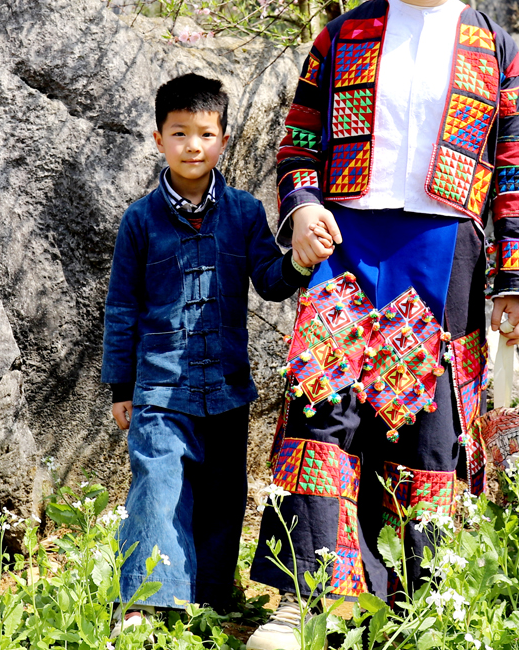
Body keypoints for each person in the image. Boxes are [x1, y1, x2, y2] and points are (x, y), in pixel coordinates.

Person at [246, 0, 519, 650]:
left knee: (429, 426)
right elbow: (298, 140)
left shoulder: (490, 43)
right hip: (346, 246)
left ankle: (425, 604)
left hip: (441, 249)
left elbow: (513, 164)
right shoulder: (342, 35)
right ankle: (305, 601)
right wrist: (304, 204)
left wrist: (518, 279)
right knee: (322, 411)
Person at [101, 73, 307, 627]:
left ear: (223, 140)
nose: (193, 145)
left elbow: (269, 278)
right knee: (158, 489)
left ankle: (208, 595)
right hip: (160, 389)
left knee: (222, 498)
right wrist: (121, 386)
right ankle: (146, 602)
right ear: (158, 139)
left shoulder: (242, 212)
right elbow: (122, 307)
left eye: (206, 134)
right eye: (180, 133)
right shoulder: (140, 221)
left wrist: (300, 261)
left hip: (227, 389)